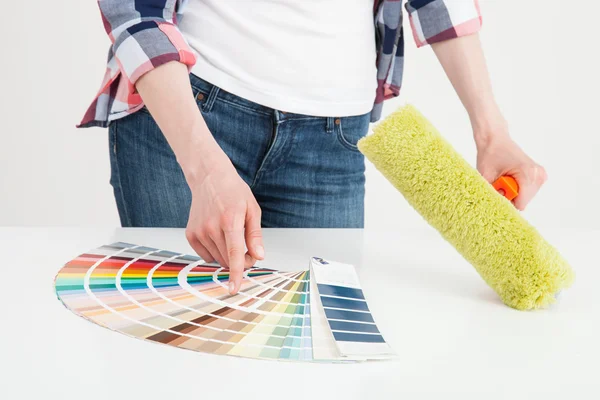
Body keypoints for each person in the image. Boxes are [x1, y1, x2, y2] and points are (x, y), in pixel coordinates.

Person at [79, 0, 546, 295]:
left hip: (336, 139)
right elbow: (136, 12)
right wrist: (204, 170)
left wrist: (491, 132)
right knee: (178, 329)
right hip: (190, 113)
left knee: (319, 348)